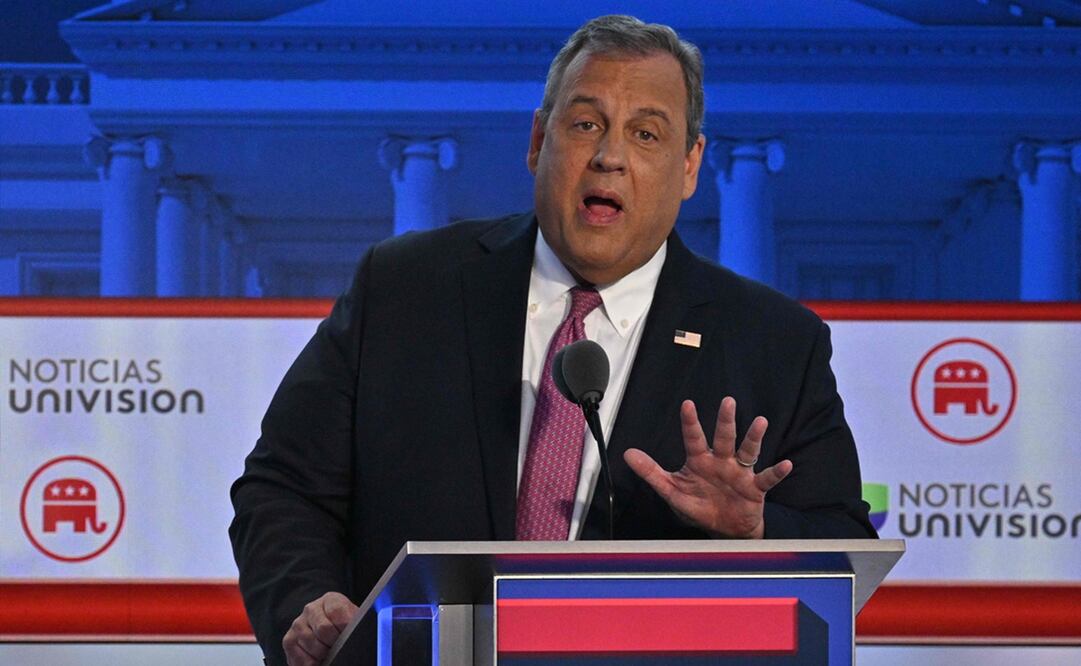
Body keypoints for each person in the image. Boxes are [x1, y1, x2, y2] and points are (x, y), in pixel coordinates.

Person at [230, 14, 876, 666]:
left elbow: (840, 545)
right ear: (539, 140)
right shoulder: (405, 289)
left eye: (645, 134)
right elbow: (283, 489)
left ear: (689, 166)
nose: (609, 156)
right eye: (586, 124)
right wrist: (308, 605)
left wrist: (756, 531)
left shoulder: (774, 345)